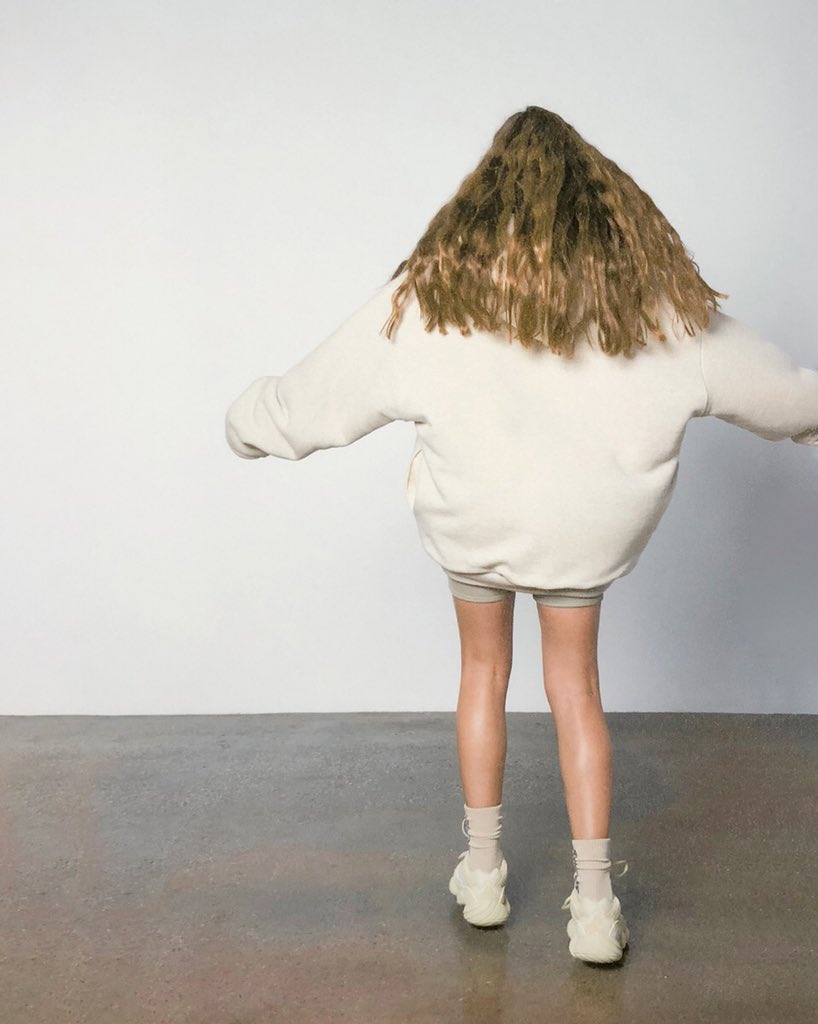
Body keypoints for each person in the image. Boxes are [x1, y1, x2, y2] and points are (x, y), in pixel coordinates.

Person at [224, 106, 818, 964]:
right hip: (585, 532)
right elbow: (785, 396)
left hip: (477, 522)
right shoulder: (654, 305)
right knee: (576, 688)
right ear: (605, 201)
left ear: (483, 198)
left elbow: (315, 397)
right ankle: (595, 907)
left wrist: (246, 424)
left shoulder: (432, 296)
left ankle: (483, 875)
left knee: (482, 672)